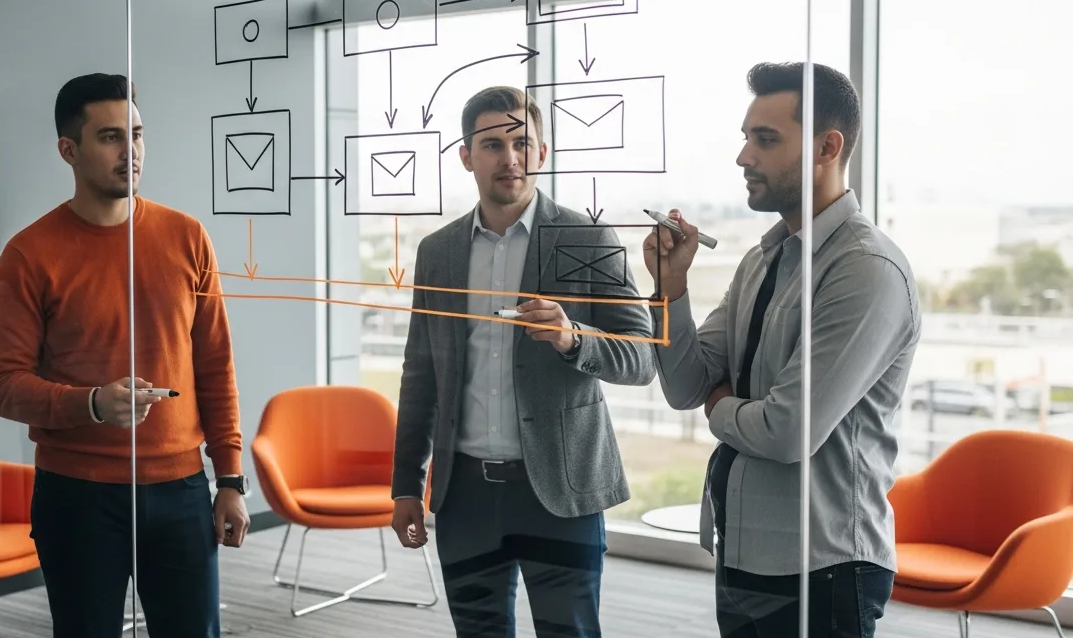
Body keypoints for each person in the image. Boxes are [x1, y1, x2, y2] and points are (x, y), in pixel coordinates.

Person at [644, 62, 919, 637]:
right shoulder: (761, 260)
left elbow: (787, 431)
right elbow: (685, 386)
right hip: (742, 551)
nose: (743, 157)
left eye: (765, 140)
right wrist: (671, 287)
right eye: (746, 138)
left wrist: (719, 406)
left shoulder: (866, 269)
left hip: (823, 568)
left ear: (827, 147)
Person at [0, 73, 249, 638]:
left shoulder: (187, 236)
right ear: (69, 150)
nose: (131, 151)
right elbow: (2, 385)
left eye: (137, 134)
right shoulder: (29, 254)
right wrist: (92, 404)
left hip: (181, 489)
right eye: (110, 137)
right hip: (77, 495)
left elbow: (216, 367)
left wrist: (230, 478)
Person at [390, 85, 657, 637]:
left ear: (542, 152)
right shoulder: (437, 252)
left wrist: (573, 337)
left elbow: (641, 357)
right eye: (492, 144)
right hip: (464, 496)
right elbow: (420, 374)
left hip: (561, 491)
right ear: (466, 156)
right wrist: (406, 486)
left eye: (522, 143)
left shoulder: (588, 238)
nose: (510, 158)